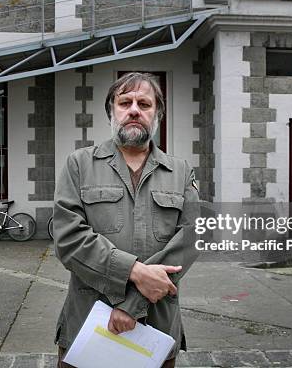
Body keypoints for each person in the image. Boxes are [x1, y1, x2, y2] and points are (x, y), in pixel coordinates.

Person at [53, 72, 200, 368]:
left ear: (157, 114)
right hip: (89, 326)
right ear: (112, 111)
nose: (134, 109)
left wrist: (132, 306)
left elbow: (190, 240)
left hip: (155, 332)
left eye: (144, 104)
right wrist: (132, 270)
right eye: (125, 102)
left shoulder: (181, 172)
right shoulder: (79, 165)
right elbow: (69, 239)